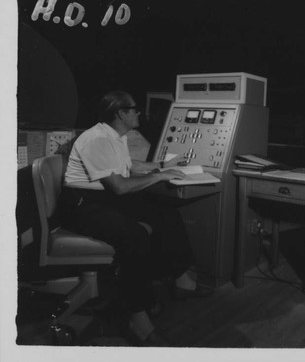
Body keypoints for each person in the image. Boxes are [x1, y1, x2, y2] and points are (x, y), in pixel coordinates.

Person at [59, 90, 209, 346]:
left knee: (165, 212)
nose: (139, 112)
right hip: (83, 206)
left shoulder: (115, 136)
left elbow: (129, 166)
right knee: (135, 235)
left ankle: (182, 281)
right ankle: (137, 320)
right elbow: (120, 186)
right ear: (121, 113)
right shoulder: (97, 140)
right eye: (134, 109)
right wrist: (158, 177)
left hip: (103, 198)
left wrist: (162, 166)